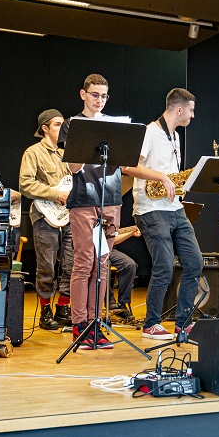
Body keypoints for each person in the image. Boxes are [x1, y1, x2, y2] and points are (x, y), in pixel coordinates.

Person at [62, 74, 173, 349]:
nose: (99, 100)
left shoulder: (115, 126)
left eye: (103, 96)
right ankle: (79, 325)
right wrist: (88, 137)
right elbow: (73, 167)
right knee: (84, 263)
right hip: (84, 201)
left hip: (111, 201)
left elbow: (127, 166)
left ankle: (95, 323)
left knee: (102, 264)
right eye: (95, 94)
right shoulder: (72, 124)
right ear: (83, 94)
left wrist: (160, 175)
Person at [131, 88, 204, 340]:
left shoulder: (174, 136)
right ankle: (151, 323)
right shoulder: (149, 132)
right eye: (191, 111)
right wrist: (161, 177)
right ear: (179, 109)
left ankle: (183, 323)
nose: (192, 116)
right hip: (150, 207)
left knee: (195, 262)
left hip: (174, 207)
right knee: (163, 265)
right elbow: (129, 166)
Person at [19, 109, 74, 331]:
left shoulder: (66, 153)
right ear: (45, 128)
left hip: (68, 216)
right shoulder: (33, 153)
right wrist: (55, 194)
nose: (62, 128)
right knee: (46, 267)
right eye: (57, 124)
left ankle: (63, 307)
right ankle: (45, 311)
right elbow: (25, 184)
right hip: (44, 215)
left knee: (71, 264)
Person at [107, 226, 141, 323]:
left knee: (130, 265)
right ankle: (110, 301)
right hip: (93, 250)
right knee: (103, 267)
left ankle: (123, 304)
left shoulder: (113, 221)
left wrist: (131, 232)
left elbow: (113, 240)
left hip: (110, 249)